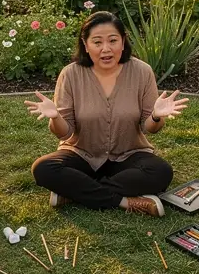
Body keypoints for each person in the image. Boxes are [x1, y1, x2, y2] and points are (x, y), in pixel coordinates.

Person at [26, 11, 187, 218]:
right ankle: (126, 202)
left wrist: (156, 115)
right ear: (85, 44)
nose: (106, 49)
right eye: (97, 42)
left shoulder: (142, 72)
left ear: (123, 42)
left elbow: (149, 129)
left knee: (161, 172)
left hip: (128, 154)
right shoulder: (71, 74)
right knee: (43, 168)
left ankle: (74, 192)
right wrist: (55, 117)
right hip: (81, 154)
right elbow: (65, 134)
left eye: (113, 40)